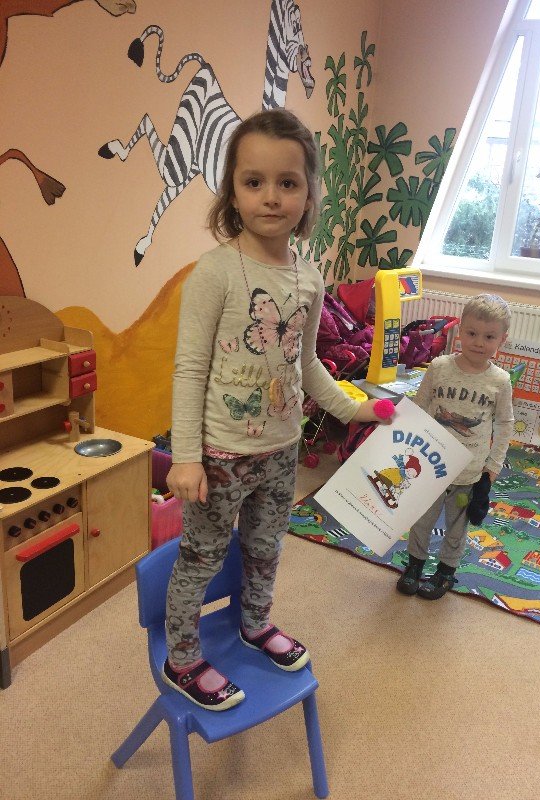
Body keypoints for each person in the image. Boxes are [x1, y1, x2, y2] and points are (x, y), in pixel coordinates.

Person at [163, 108, 389, 711]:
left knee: (266, 548)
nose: (270, 197)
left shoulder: (308, 277)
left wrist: (355, 409)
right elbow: (190, 370)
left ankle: (255, 623)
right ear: (232, 191)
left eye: (287, 183)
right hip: (220, 455)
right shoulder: (214, 273)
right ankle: (181, 658)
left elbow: (306, 363)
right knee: (202, 557)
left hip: (282, 449)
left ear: (309, 193)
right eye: (253, 181)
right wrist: (185, 457)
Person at [396, 293, 514, 600]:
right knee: (421, 520)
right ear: (460, 330)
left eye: (489, 337)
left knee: (457, 526)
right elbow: (420, 407)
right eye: (472, 333)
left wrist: (492, 467)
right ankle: (414, 566)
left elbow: (504, 424)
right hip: (430, 465)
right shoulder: (439, 367)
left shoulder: (500, 381)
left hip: (468, 472)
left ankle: (445, 572)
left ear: (502, 339)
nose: (479, 342)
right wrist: (405, 447)